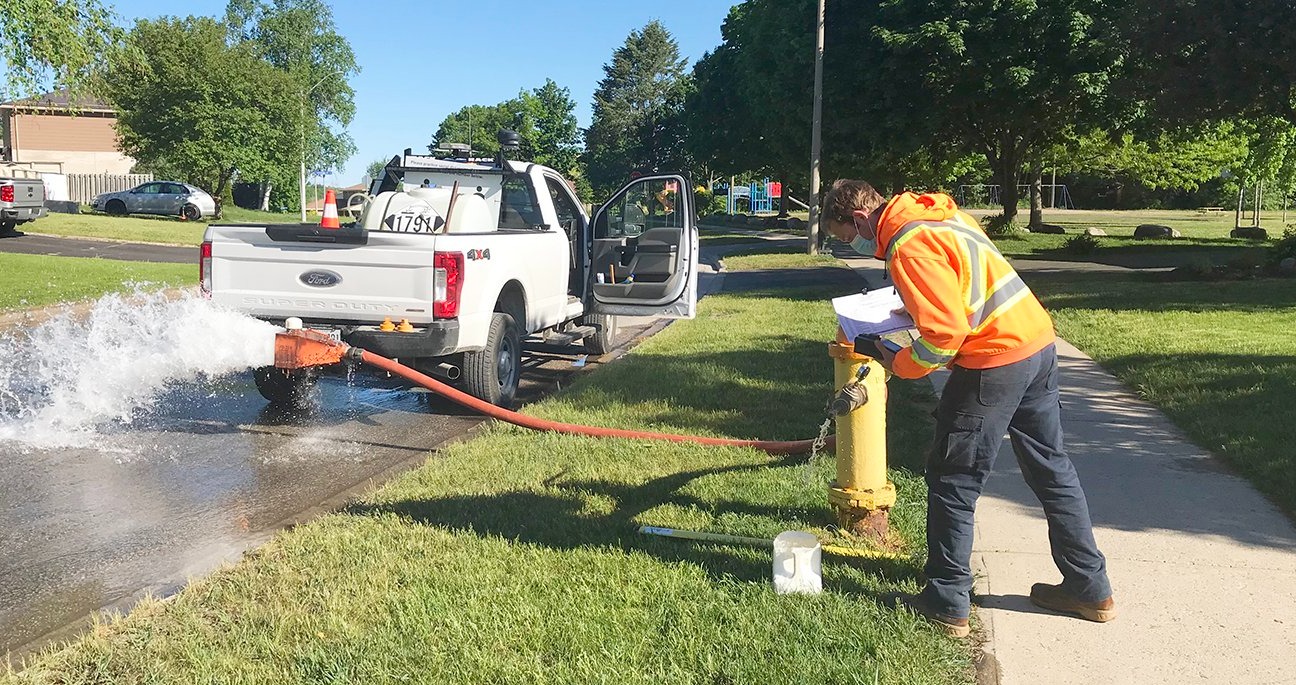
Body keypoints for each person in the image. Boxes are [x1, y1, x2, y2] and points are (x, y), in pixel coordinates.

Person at [822, 179, 1115, 638]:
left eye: (846, 237)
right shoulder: (940, 215)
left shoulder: (907, 245)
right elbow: (958, 287)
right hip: (1035, 342)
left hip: (992, 362)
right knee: (1051, 467)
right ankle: (1089, 587)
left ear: (859, 219)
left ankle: (946, 600)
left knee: (952, 478)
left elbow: (943, 335)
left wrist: (899, 360)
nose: (854, 246)